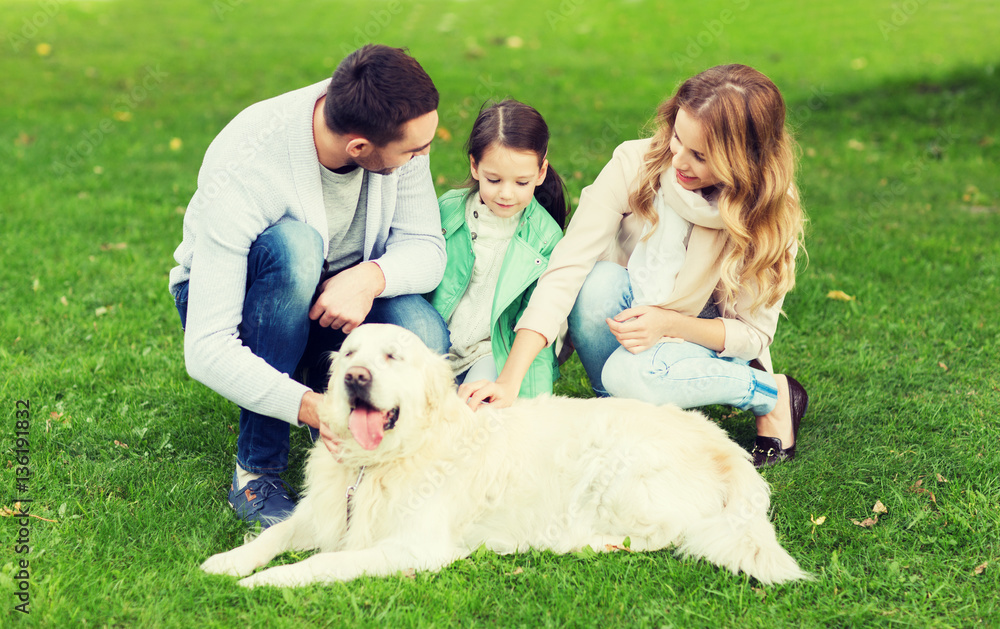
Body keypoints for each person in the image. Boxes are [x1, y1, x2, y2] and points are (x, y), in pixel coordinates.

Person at [460, 64, 810, 467]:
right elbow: (566, 268)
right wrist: (509, 380)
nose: (677, 159)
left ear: (742, 160)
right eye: (678, 137)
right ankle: (625, 413)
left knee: (628, 374)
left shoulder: (769, 208)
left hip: (705, 338)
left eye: (699, 155)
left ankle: (770, 393)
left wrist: (670, 324)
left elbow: (753, 335)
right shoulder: (635, 162)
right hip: (635, 317)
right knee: (593, 285)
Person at [168, 45, 450, 527]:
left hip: (338, 299)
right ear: (359, 148)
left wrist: (369, 277)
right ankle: (256, 471)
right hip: (243, 299)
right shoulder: (247, 165)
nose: (424, 154)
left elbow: (426, 247)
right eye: (414, 151)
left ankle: (395, 458)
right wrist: (313, 408)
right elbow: (208, 348)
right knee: (296, 249)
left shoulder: (390, 120)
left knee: (422, 332)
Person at [427, 100, 567, 395]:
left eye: (521, 182)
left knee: (477, 412)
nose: (506, 193)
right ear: (474, 166)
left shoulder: (546, 239)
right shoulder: (448, 211)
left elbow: (537, 315)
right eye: (494, 179)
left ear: (541, 173)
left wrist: (530, 388)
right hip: (434, 343)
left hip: (490, 352)